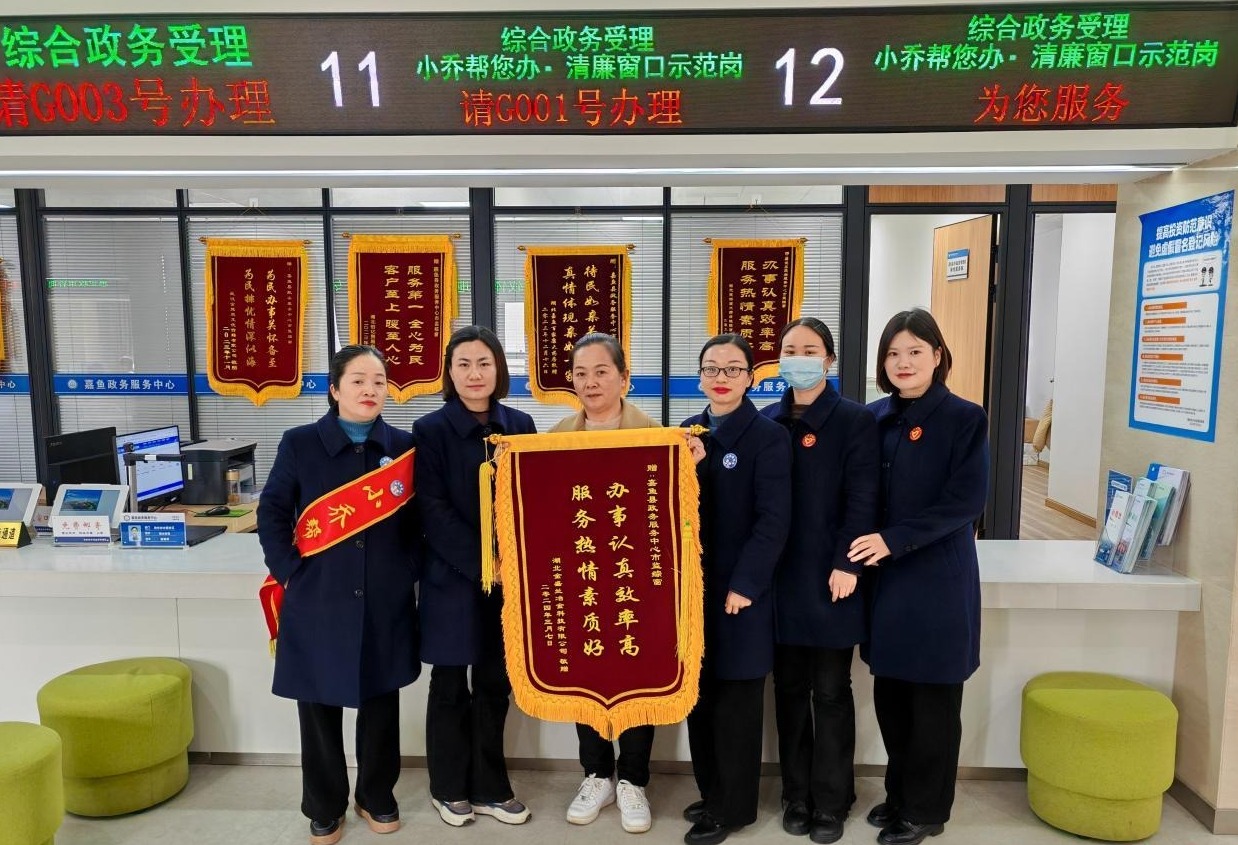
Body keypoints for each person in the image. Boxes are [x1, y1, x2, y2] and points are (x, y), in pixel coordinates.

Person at [258, 344, 419, 845]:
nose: (370, 390)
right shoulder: (300, 443)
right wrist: (291, 573)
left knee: (381, 702)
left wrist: (404, 572)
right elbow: (272, 512)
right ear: (334, 389)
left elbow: (419, 523)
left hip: (384, 599)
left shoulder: (404, 447)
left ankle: (376, 794)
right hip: (319, 599)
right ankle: (325, 804)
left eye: (379, 381)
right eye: (358, 381)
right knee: (317, 708)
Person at [847, 308, 989, 845]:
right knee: (892, 697)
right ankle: (900, 794)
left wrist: (893, 539)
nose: (903, 362)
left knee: (932, 703)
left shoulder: (964, 418)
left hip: (936, 580)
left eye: (914, 351)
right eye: (893, 353)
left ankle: (927, 810)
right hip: (885, 582)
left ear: (937, 355)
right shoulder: (873, 417)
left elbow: (965, 502)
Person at [761, 318, 879, 844]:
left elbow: (863, 498)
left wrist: (849, 564)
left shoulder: (855, 420)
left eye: (810, 350)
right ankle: (796, 794)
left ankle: (831, 800)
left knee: (830, 690)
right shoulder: (768, 420)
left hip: (834, 576)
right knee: (788, 690)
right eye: (790, 349)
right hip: (780, 581)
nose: (799, 358)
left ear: (829, 360)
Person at [415, 326, 536, 828]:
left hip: (509, 583)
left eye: (484, 363)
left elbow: (535, 498)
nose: (474, 373)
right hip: (452, 576)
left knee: (494, 683)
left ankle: (490, 786)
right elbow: (432, 509)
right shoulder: (429, 430)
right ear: (450, 371)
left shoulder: (521, 425)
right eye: (463, 364)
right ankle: (447, 787)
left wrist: (513, 565)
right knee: (449, 683)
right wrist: (486, 563)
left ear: (499, 369)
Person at [554, 332, 673, 835]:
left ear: (624, 378)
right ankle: (597, 774)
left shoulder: (659, 438)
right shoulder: (554, 440)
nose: (591, 382)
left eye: (601, 371)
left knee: (636, 673)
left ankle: (634, 780)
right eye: (581, 373)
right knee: (586, 672)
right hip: (582, 577)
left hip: (637, 582)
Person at [680, 333, 792, 845]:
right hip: (692, 591)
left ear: (750, 377)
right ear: (700, 377)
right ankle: (712, 794)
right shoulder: (686, 432)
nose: (720, 378)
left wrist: (746, 584)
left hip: (741, 594)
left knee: (736, 704)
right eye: (711, 368)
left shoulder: (768, 436)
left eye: (732, 369)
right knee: (700, 697)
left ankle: (733, 810)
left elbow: (773, 521)